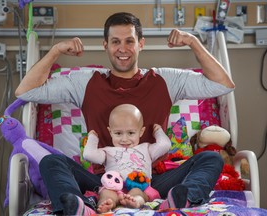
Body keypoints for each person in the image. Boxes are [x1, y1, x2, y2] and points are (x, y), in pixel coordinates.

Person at [15, 12, 235, 215]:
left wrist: (193, 42)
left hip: (152, 181)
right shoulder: (85, 82)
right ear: (105, 45)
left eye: (129, 41)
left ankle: (181, 199)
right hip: (103, 181)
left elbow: (223, 84)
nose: (123, 48)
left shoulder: (165, 80)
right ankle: (81, 205)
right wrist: (55, 51)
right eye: (115, 42)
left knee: (210, 158)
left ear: (140, 44)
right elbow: (26, 91)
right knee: (52, 162)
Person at [83, 104, 170, 213]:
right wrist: (93, 137)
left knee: (137, 192)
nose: (124, 139)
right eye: (118, 133)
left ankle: (135, 203)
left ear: (141, 132)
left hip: (138, 186)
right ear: (110, 132)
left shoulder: (146, 149)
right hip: (113, 187)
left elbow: (165, 145)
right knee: (106, 193)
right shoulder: (108, 151)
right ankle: (106, 205)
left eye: (131, 133)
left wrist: (158, 131)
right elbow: (88, 154)